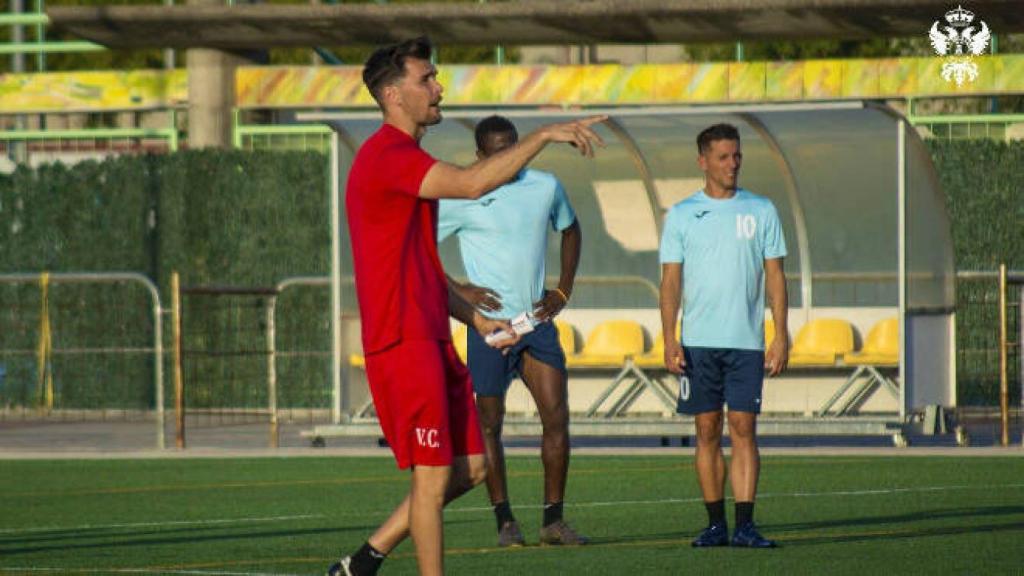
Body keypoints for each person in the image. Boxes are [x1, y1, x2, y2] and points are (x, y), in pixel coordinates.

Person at [329, 37, 605, 576]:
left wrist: (477, 319)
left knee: (474, 466)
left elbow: (424, 267)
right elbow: (475, 183)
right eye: (426, 78)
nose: (438, 87)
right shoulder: (385, 155)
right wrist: (545, 133)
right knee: (432, 480)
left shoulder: (410, 158)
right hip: (402, 342)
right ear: (393, 94)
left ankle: (364, 561)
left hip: (431, 337)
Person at [438, 115, 586, 547]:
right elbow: (418, 247)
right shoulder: (463, 192)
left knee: (556, 417)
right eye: (497, 151)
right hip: (487, 326)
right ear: (480, 155)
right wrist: (457, 287)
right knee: (489, 425)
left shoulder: (543, 185)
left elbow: (571, 228)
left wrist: (563, 289)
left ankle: (553, 521)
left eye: (512, 146)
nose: (508, 156)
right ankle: (505, 522)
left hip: (535, 322)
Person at [658, 123, 788, 549]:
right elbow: (671, 282)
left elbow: (775, 276)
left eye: (737, 157)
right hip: (697, 342)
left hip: (746, 341)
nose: (732, 164)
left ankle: (745, 525)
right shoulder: (680, 215)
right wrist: (669, 337)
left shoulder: (762, 210)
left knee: (743, 426)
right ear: (703, 162)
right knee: (707, 428)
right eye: (723, 157)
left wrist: (780, 334)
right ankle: (715, 525)